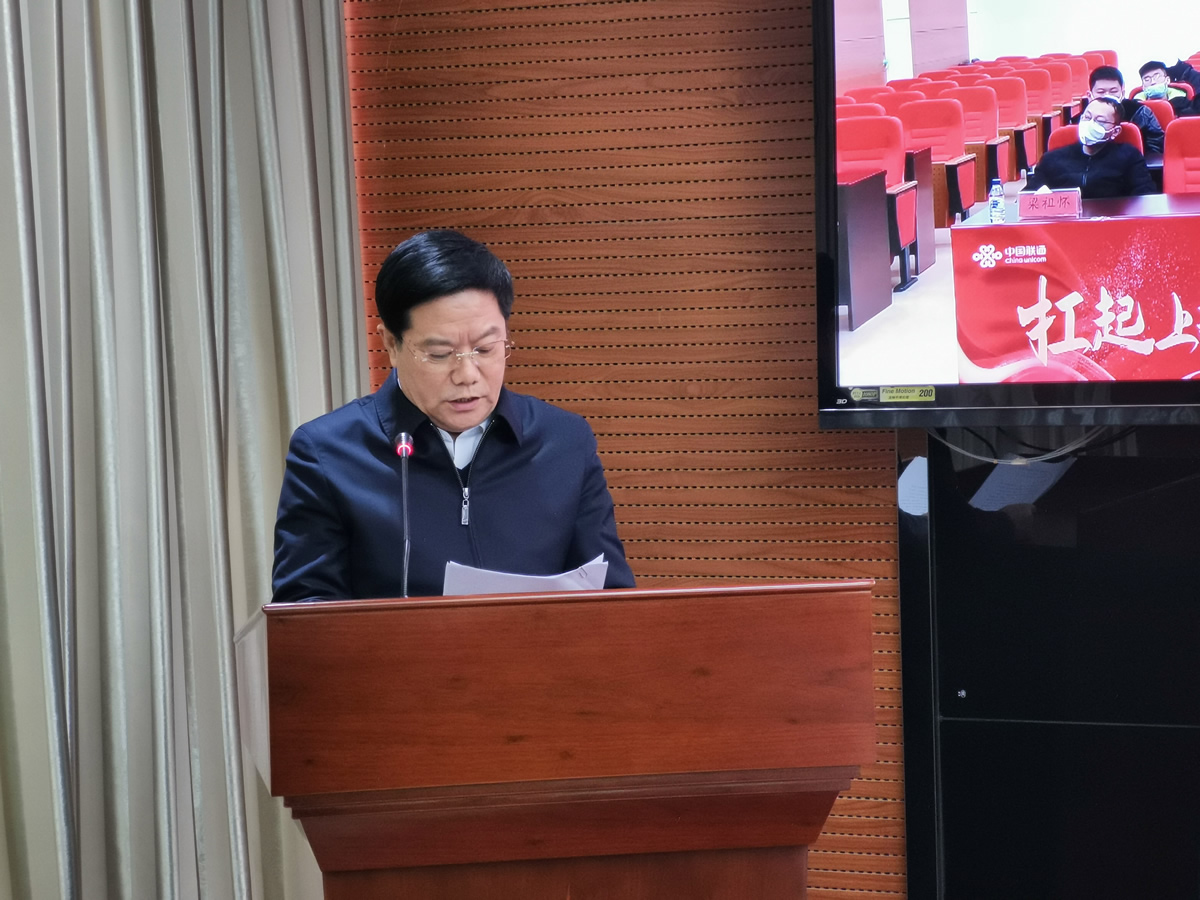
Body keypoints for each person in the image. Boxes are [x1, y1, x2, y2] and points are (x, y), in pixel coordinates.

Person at [272, 229, 636, 601]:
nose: (467, 375)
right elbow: (307, 616)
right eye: (440, 354)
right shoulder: (328, 453)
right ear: (391, 344)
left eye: (485, 348)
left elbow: (612, 600)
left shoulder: (564, 442)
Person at [1024, 98, 1156, 199]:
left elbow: (1145, 197)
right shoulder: (1052, 159)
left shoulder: (1129, 156)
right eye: (1087, 117)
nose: (1090, 124)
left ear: (1115, 131)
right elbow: (1026, 198)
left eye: (1100, 121)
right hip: (1064, 223)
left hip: (1111, 222)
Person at [1071, 65, 1165, 155]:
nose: (1107, 96)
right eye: (1101, 92)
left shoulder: (1141, 112)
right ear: (1090, 95)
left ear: (1122, 93)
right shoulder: (1080, 120)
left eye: (1113, 91)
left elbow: (1156, 146)